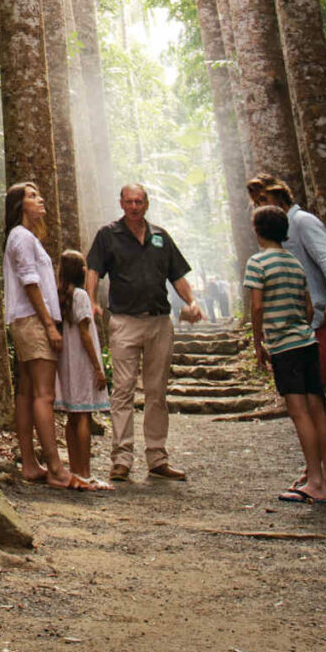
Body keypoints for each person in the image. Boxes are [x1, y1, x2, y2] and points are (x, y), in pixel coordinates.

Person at [245, 175, 326, 493]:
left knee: (313, 403)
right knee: (318, 400)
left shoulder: (301, 221)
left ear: (279, 197)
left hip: (313, 327)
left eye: (264, 201)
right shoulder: (286, 239)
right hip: (306, 326)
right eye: (257, 204)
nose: (261, 208)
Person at [87, 182, 205, 481]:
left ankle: (157, 457)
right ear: (121, 203)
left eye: (139, 201)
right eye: (129, 201)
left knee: (156, 392)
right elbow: (93, 270)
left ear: (147, 203)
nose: (134, 207)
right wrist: (90, 301)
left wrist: (191, 301)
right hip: (124, 321)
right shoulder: (108, 235)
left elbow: (177, 276)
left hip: (158, 322)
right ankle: (121, 459)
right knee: (123, 391)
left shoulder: (160, 237)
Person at [246, 203, 326, 502]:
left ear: (258, 232)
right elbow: (309, 307)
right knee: (317, 410)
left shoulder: (258, 264)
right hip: (307, 342)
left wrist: (258, 340)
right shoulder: (295, 263)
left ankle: (313, 481)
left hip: (284, 347)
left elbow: (257, 305)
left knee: (299, 413)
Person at [2, 181, 65, 485]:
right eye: (32, 196)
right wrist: (50, 325)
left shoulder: (24, 237)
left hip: (25, 319)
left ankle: (30, 463)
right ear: (19, 205)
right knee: (44, 394)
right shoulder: (22, 237)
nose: (40, 200)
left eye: (38, 194)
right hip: (33, 321)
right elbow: (30, 282)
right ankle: (55, 468)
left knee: (27, 391)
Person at [52, 252, 112, 492]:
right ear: (80, 270)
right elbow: (85, 334)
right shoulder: (81, 296)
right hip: (81, 361)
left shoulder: (60, 296)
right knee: (84, 415)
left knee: (72, 415)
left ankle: (75, 470)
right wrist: (98, 367)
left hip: (65, 362)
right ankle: (85, 473)